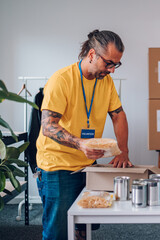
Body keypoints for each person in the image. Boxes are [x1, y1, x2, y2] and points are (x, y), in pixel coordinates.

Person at [36, 29, 132, 240]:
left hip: (88, 166)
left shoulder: (105, 81)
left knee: (83, 229)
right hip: (58, 167)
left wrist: (123, 151)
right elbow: (48, 126)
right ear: (91, 55)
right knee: (58, 233)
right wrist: (80, 144)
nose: (112, 70)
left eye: (116, 64)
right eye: (109, 63)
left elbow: (118, 115)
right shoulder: (61, 80)